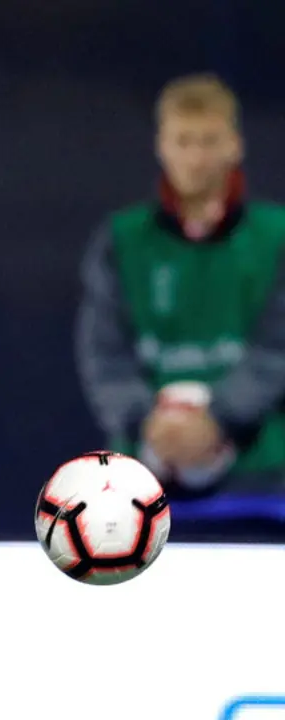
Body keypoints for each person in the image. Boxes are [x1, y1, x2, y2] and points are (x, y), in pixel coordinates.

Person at [76, 72, 285, 504]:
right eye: (183, 141)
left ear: (234, 145)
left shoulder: (276, 237)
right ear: (161, 145)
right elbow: (104, 355)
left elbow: (277, 349)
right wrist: (147, 422)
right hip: (141, 479)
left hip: (264, 477)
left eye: (209, 141)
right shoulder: (122, 241)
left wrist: (218, 421)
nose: (196, 157)